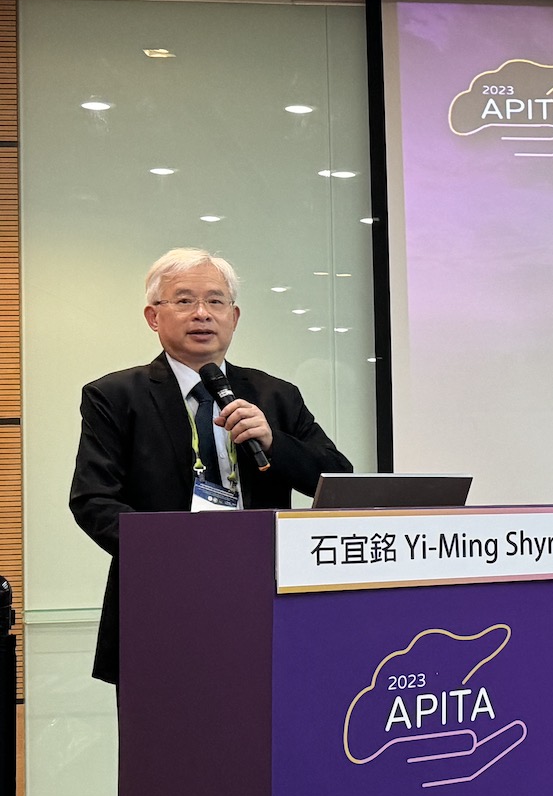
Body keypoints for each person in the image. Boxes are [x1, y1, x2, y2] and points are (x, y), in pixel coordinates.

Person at [69, 248, 352, 685]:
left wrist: (275, 442)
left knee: (262, 720)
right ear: (153, 317)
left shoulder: (276, 395)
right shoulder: (115, 396)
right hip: (159, 599)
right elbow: (93, 500)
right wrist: (180, 556)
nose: (202, 313)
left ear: (234, 317)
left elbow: (337, 479)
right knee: (165, 724)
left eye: (215, 301)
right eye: (184, 300)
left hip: (264, 593)